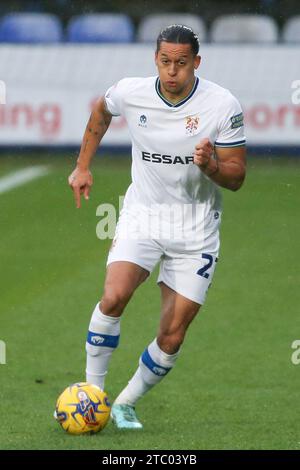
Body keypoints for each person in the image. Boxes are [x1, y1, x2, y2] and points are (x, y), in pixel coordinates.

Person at [68, 24, 246, 430]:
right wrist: (82, 166)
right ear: (155, 60)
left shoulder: (222, 104)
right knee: (112, 298)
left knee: (171, 337)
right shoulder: (132, 92)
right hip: (143, 216)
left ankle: (126, 403)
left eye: (181, 64)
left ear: (196, 63)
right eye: (165, 62)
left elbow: (237, 177)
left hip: (196, 229)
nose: (172, 71)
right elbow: (101, 109)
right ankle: (92, 397)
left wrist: (212, 165)